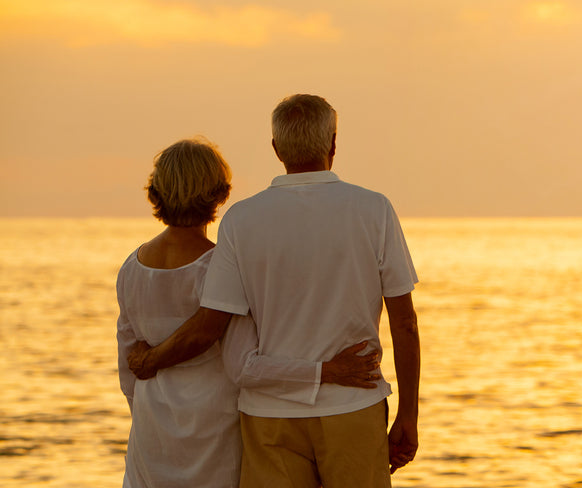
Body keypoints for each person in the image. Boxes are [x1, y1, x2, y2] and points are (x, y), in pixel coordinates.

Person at [128, 94, 421, 487]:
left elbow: (212, 322)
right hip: (352, 406)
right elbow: (405, 324)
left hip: (268, 417)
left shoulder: (242, 220)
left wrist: (152, 360)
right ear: (333, 143)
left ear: (276, 148)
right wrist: (408, 415)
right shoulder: (374, 210)